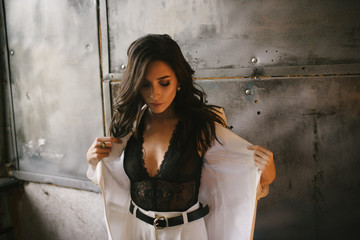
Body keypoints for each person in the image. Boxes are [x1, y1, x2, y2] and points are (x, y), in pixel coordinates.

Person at [86, 34, 276, 240]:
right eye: (145, 84)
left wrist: (267, 170)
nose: (154, 95)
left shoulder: (202, 128)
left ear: (178, 80)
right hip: (136, 231)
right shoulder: (129, 127)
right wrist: (93, 161)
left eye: (164, 83)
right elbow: (114, 181)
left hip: (185, 234)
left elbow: (239, 180)